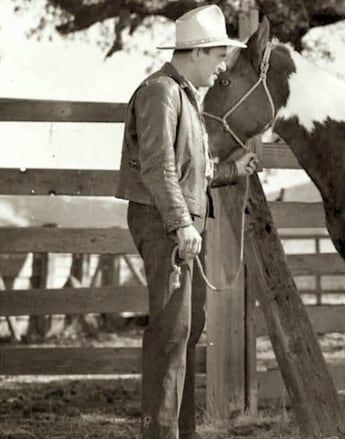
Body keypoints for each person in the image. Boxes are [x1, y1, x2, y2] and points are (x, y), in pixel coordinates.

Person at [115, 5, 257, 439]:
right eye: (218, 58)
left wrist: (233, 171)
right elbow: (158, 169)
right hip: (165, 223)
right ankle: (161, 433)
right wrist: (181, 226)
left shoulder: (181, 95)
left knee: (186, 327)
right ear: (197, 53)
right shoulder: (160, 92)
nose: (219, 69)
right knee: (172, 329)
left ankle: (182, 431)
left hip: (177, 222)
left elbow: (193, 170)